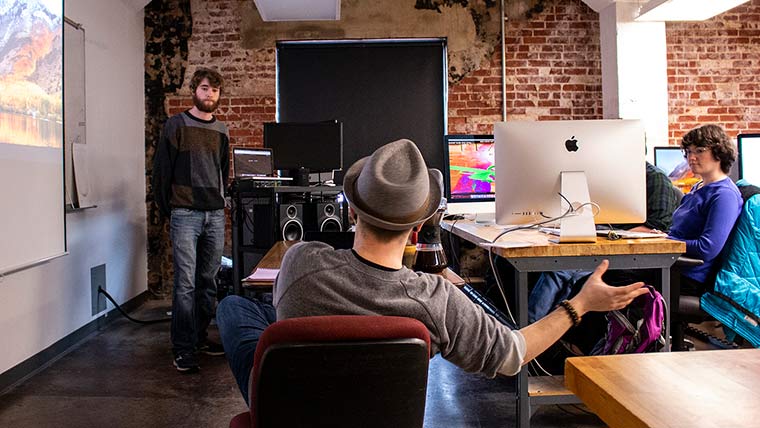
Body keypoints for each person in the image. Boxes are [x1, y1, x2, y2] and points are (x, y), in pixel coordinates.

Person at [216, 139, 648, 404]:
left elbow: (291, 301)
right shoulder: (434, 299)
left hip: (290, 411)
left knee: (237, 306)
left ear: (350, 213)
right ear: (420, 226)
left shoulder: (301, 262)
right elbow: (514, 354)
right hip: (384, 416)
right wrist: (581, 304)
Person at [529, 160, 682, 323]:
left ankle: (531, 332)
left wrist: (611, 237)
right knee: (555, 268)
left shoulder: (654, 178)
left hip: (627, 252)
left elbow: (657, 226)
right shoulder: (610, 177)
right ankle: (543, 333)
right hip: (601, 242)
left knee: (559, 269)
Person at [152, 68, 230, 373]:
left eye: (215, 91)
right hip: (184, 214)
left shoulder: (221, 130)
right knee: (184, 283)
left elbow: (223, 172)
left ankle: (198, 338)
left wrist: (220, 204)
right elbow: (161, 173)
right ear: (195, 90)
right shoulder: (176, 125)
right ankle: (182, 349)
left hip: (214, 214)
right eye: (205, 88)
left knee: (207, 282)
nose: (210, 94)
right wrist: (169, 210)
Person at [669, 124, 743, 294]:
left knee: (612, 278)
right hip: (672, 266)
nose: (691, 158)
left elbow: (707, 248)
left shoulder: (724, 195)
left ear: (719, 152)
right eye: (688, 152)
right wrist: (664, 237)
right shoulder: (698, 187)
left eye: (699, 151)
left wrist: (667, 242)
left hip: (688, 277)